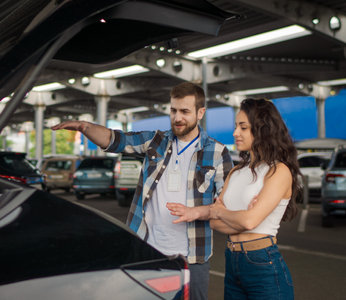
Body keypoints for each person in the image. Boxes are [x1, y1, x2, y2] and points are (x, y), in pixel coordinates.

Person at [52, 82, 233, 300]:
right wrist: (84, 127)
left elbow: (224, 206)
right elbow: (114, 139)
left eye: (185, 111)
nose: (177, 118)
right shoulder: (155, 141)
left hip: (193, 256)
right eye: (173, 110)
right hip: (148, 251)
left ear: (200, 112)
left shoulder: (217, 152)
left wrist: (197, 212)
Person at [207, 98, 300, 299]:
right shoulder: (236, 172)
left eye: (243, 127)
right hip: (232, 262)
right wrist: (241, 218)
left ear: (263, 130)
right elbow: (214, 223)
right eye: (235, 127)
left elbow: (248, 220)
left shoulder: (278, 171)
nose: (235, 133)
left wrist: (221, 211)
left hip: (263, 264)